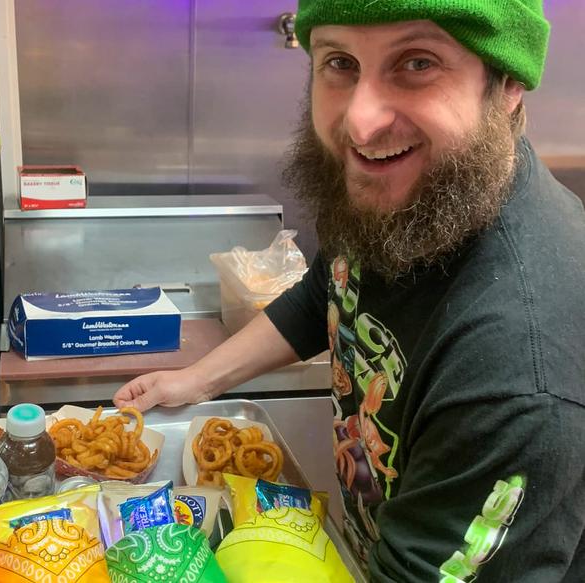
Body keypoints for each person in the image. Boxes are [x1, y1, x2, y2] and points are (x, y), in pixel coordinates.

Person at [114, 1, 585, 581]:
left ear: (508, 83)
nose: (361, 125)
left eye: (418, 63)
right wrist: (198, 379)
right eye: (340, 62)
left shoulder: (517, 374)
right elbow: (329, 292)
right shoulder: (421, 192)